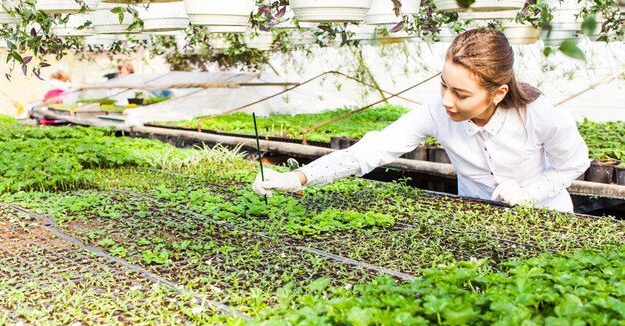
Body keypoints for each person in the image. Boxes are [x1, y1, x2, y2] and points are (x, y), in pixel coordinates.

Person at [252, 28, 590, 212]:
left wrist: (530, 193)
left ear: (498, 93)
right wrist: (299, 177)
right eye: (444, 85)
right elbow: (370, 151)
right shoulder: (436, 112)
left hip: (547, 217)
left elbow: (573, 164)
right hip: (474, 217)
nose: (447, 100)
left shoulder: (539, 114)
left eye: (462, 94)